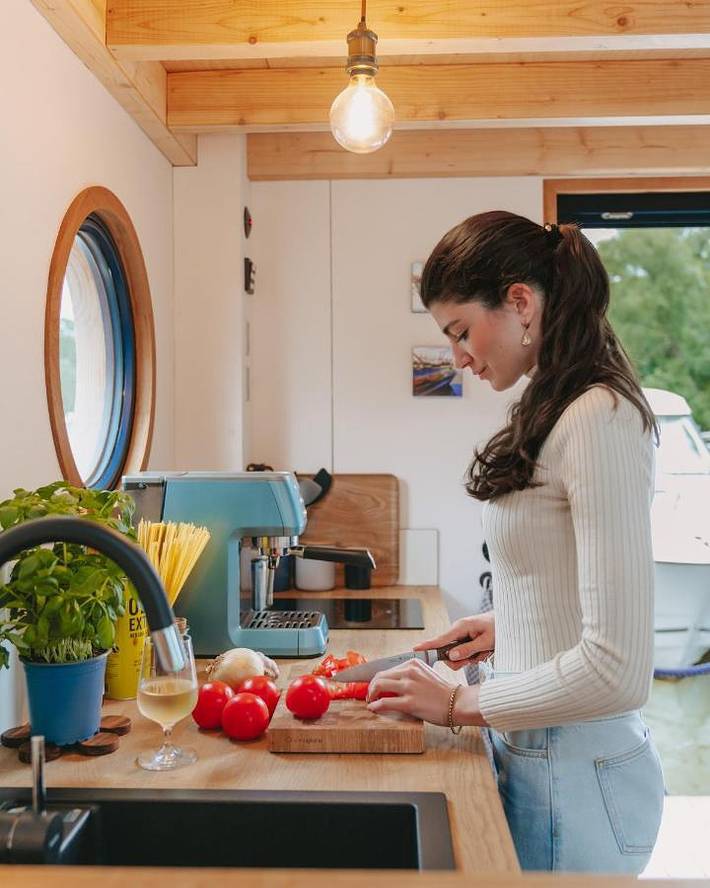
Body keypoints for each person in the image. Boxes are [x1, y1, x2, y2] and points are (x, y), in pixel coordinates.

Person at [366, 211, 665, 874]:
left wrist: (456, 703)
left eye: (461, 331)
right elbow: (570, 577)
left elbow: (618, 669)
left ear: (521, 302)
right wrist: (512, 621)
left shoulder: (598, 416)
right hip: (546, 752)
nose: (459, 357)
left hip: (576, 772)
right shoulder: (560, 405)